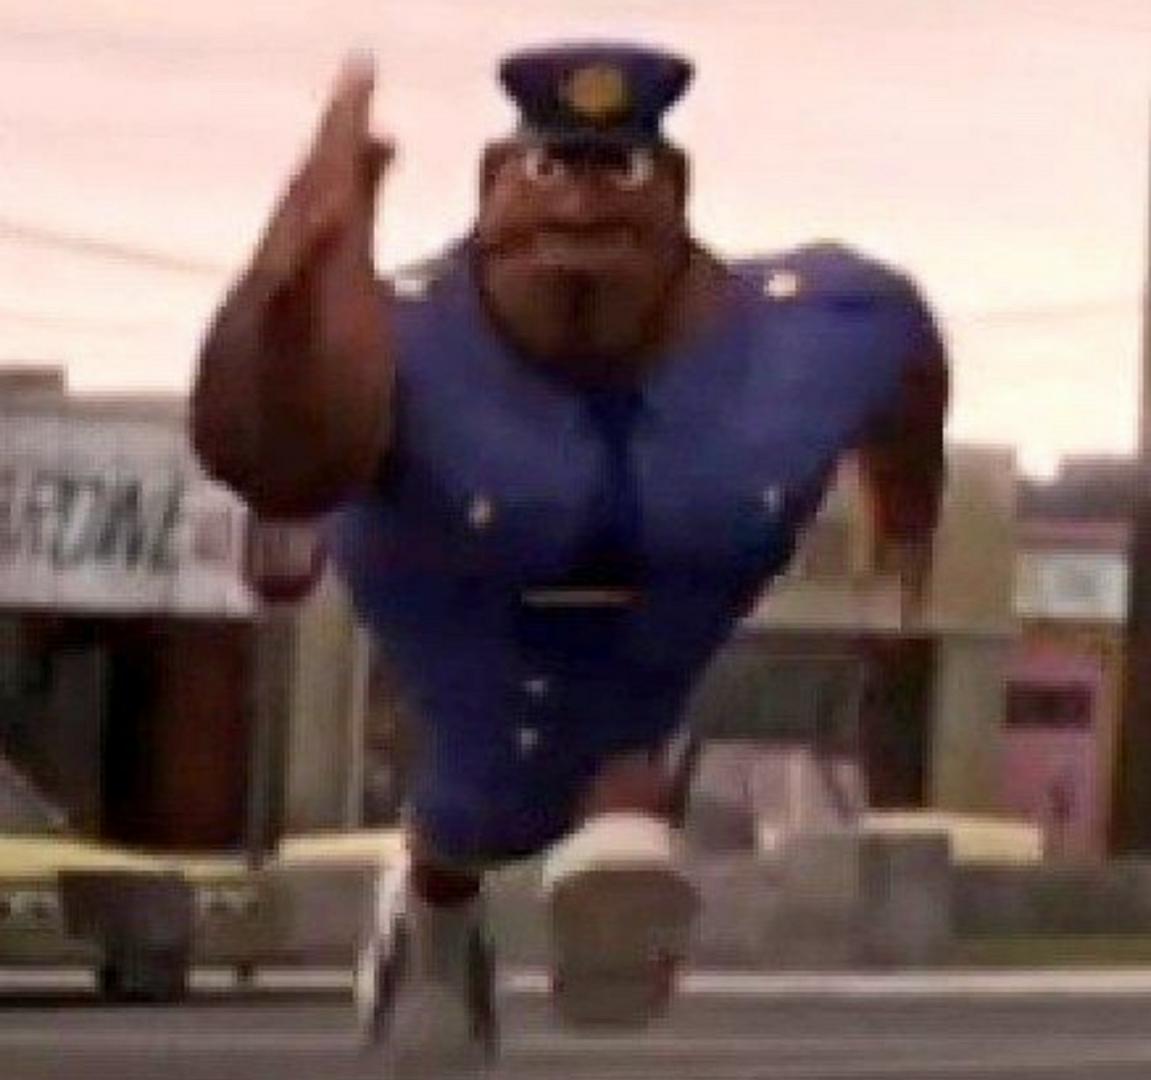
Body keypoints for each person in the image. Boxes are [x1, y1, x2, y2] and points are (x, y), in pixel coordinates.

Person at [192, 41, 949, 1072]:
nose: (582, 211)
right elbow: (269, 449)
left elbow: (903, 358)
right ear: (490, 187)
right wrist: (302, 261)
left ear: (674, 191)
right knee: (483, 801)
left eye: (617, 174)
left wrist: (905, 510)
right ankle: (436, 901)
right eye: (549, 171)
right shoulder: (402, 345)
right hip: (458, 602)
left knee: (627, 731)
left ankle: (617, 820)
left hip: (664, 613)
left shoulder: (811, 332)